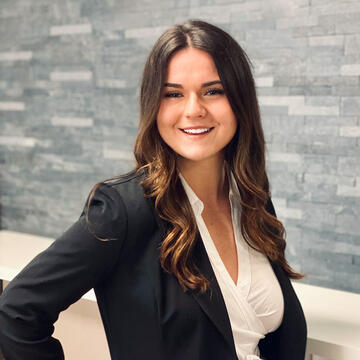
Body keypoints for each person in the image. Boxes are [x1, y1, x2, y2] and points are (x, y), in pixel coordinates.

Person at [0, 20, 307, 360]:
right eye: (173, 94)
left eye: (212, 91)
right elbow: (16, 312)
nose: (193, 110)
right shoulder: (123, 211)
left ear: (240, 101)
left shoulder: (251, 200)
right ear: (153, 106)